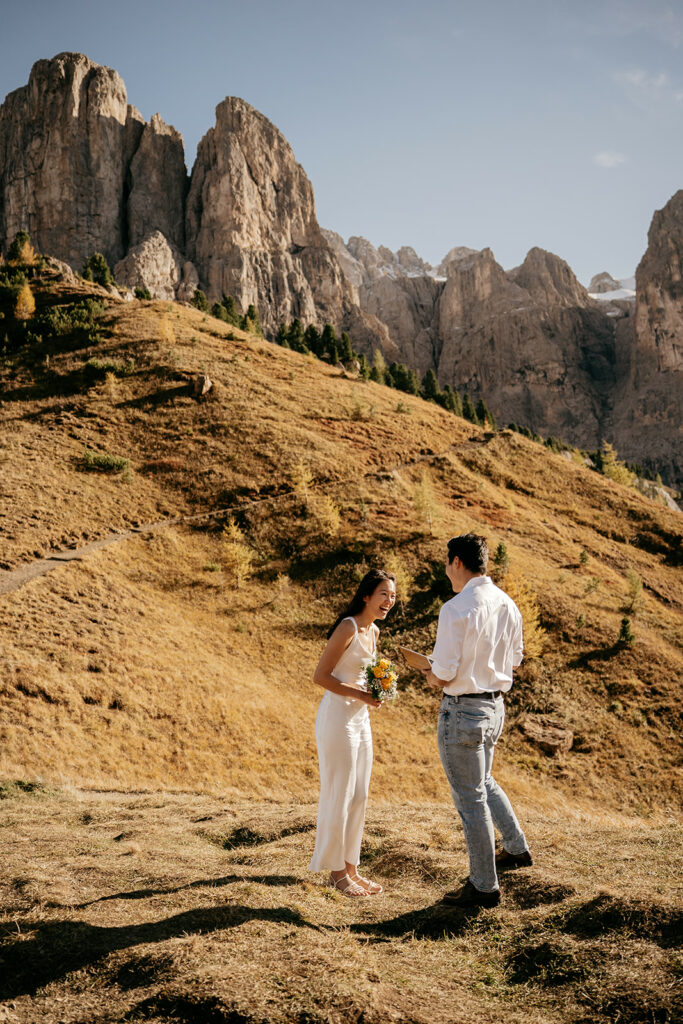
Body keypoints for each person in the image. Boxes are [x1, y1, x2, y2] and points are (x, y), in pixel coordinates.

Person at [424, 534, 532, 908]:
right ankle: (516, 847)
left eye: (446, 563)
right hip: (495, 707)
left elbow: (444, 672)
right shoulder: (508, 604)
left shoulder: (456, 608)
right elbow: (516, 661)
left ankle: (484, 887)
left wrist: (431, 674)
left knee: (470, 799)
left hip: (463, 710)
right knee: (484, 782)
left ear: (456, 562)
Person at [308, 568, 396, 896]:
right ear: (366, 596)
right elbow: (321, 676)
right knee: (340, 793)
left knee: (360, 794)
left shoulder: (373, 632)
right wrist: (361, 695)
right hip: (337, 717)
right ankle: (335, 874)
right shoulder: (348, 626)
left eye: (393, 597)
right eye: (384, 594)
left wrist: (378, 690)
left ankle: (352, 870)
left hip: (361, 719)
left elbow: (363, 674)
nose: (389, 601)